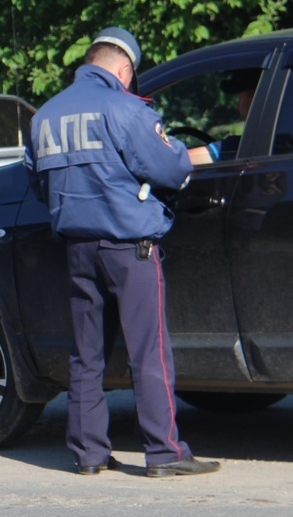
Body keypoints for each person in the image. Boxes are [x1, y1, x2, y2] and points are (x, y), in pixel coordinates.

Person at [27, 26, 220, 478]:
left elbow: (37, 184)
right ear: (124, 68)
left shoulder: (44, 117)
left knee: (86, 354)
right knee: (148, 351)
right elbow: (170, 169)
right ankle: (164, 452)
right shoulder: (124, 109)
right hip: (130, 249)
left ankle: (88, 453)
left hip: (77, 248)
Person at [187, 68, 260, 165]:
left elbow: (180, 161)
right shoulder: (276, 143)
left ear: (254, 97)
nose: (236, 106)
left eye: (239, 98)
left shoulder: (239, 147)